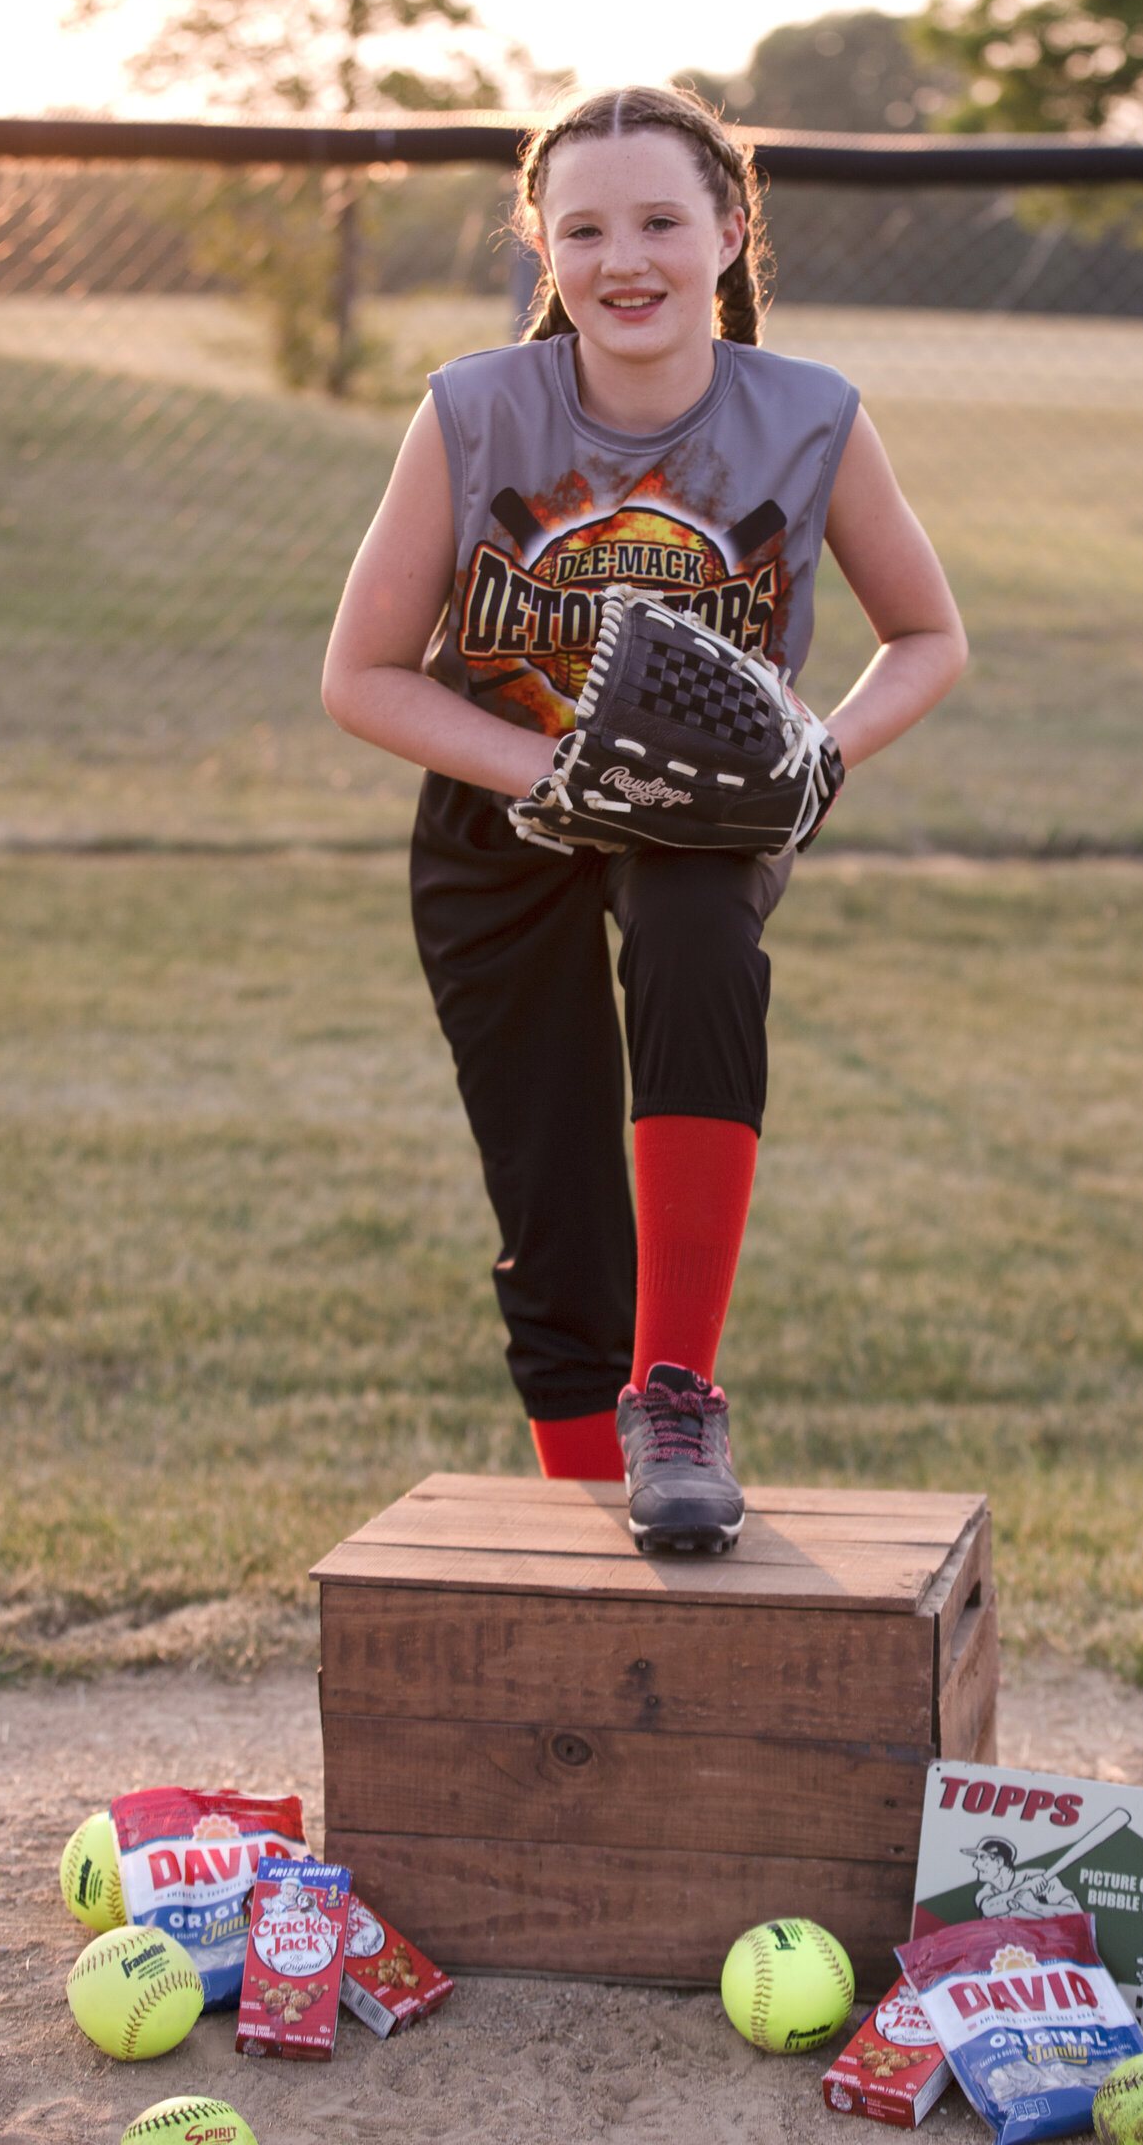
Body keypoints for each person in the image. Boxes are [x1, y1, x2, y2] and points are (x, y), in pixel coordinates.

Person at [321, 85, 966, 1552]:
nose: (629, 258)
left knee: (693, 940)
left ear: (731, 231)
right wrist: (549, 781)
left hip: (707, 811)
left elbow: (928, 636)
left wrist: (820, 757)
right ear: (541, 243)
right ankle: (592, 1543)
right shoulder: (475, 409)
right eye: (587, 225)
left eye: (664, 221)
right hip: (506, 808)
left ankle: (676, 1394)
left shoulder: (807, 418)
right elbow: (357, 674)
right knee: (550, 1201)